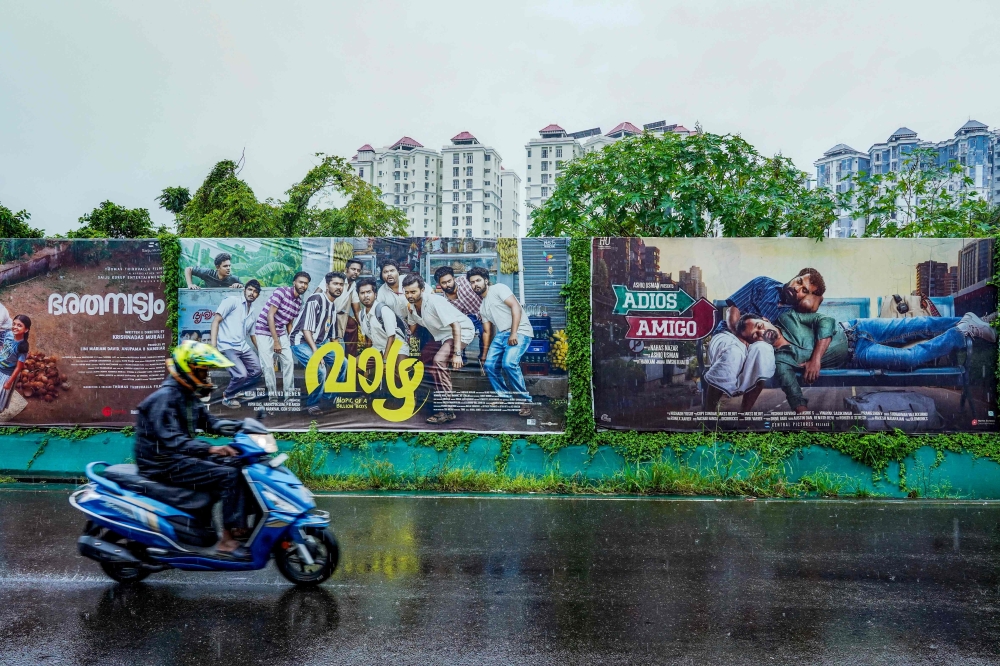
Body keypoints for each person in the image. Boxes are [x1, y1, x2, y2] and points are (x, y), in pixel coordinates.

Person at [735, 310, 997, 413]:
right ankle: (962, 331)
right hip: (858, 354)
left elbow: (825, 322)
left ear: (764, 319)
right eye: (755, 336)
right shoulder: (781, 360)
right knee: (909, 359)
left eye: (758, 326)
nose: (760, 332)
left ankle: (970, 322)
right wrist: (804, 417)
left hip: (857, 327)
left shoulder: (789, 318)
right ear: (757, 342)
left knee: (919, 324)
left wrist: (815, 359)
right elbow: (791, 389)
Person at [134, 341, 247, 558]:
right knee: (228, 475)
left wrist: (242, 426)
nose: (207, 377)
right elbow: (172, 439)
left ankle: (238, 525)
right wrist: (211, 450)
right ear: (189, 370)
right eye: (204, 371)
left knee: (236, 463)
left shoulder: (187, 395)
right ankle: (227, 540)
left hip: (175, 457)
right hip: (161, 462)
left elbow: (210, 422)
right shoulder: (165, 398)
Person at [704, 268, 826, 411]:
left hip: (758, 343)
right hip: (729, 333)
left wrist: (817, 296)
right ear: (795, 277)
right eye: (799, 281)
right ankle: (708, 413)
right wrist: (738, 335)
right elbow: (733, 310)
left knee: (764, 351)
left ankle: (744, 415)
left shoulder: (797, 311)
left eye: (804, 291)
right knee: (733, 352)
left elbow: (815, 307)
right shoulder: (762, 283)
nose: (797, 288)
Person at [402, 274, 475, 424]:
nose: (410, 295)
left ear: (422, 290)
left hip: (461, 331)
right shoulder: (412, 307)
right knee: (424, 360)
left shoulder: (435, 301)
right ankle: (431, 398)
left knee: (439, 361)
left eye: (413, 292)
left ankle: (447, 410)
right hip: (442, 337)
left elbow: (456, 325)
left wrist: (457, 354)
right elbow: (413, 327)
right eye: (407, 292)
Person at [467, 268, 534, 417]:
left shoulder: (498, 288)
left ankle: (525, 401)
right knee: (490, 365)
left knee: (509, 363)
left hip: (520, 331)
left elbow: (515, 306)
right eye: (472, 282)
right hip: (501, 335)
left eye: (478, 280)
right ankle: (506, 398)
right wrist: (483, 356)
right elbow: (486, 331)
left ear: (485, 280)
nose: (475, 284)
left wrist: (514, 332)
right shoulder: (483, 306)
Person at [290, 271, 348, 415]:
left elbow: (333, 338)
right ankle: (313, 404)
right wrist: (318, 354)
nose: (338, 287)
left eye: (341, 285)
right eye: (335, 284)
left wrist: (339, 354)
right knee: (320, 369)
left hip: (320, 344)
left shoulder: (333, 307)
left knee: (343, 363)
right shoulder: (315, 299)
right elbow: (306, 331)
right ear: (327, 286)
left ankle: (329, 397)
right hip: (301, 342)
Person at [253, 271, 311, 402]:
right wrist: (276, 341)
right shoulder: (281, 292)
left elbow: (289, 323)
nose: (303, 285)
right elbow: (270, 316)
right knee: (268, 366)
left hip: (280, 332)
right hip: (263, 331)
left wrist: (293, 340)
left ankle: (289, 397)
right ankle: (273, 397)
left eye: (306, 284)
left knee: (289, 361)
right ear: (294, 282)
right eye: (301, 282)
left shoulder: (298, 303)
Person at [210, 280, 263, 409]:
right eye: (250, 289)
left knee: (257, 370)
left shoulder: (252, 313)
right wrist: (213, 346)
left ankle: (239, 390)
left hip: (242, 347)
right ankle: (227, 396)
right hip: (227, 346)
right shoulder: (232, 301)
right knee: (241, 374)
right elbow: (216, 320)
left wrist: (262, 352)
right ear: (244, 290)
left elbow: (253, 335)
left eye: (255, 292)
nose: (252, 293)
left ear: (258, 295)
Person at [0, 315, 30, 412]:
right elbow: (4, 348)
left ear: (26, 330)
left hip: (7, 374)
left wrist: (9, 382)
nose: (15, 327)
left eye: (19, 325)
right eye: (14, 324)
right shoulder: (8, 334)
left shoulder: (22, 347)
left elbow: (18, 367)